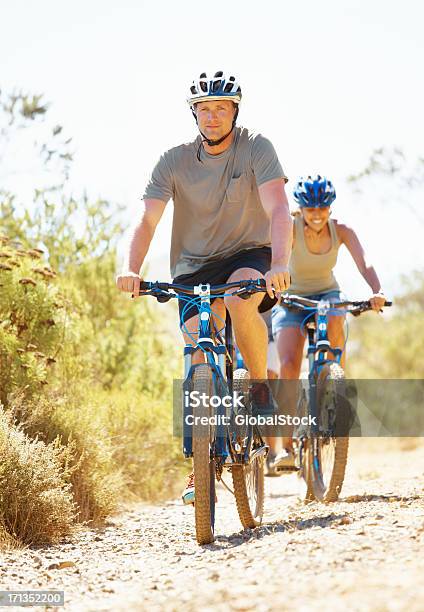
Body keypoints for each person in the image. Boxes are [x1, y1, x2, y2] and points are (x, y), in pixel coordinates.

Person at [116, 71, 293, 503]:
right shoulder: (173, 161)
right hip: (193, 269)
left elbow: (278, 209)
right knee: (198, 349)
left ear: (235, 111)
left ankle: (257, 387)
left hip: (248, 256)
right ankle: (201, 465)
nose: (211, 117)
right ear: (193, 113)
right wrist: (131, 267)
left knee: (239, 296)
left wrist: (280, 264)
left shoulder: (256, 148)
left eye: (220, 108)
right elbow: (147, 220)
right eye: (203, 109)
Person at [270, 174, 387, 471]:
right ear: (301, 209)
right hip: (293, 299)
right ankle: (285, 448)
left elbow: (365, 262)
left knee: (337, 322)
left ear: (330, 208)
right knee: (288, 365)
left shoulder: (342, 231)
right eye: (311, 209)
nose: (317, 214)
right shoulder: (292, 228)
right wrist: (278, 290)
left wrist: (376, 291)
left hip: (327, 294)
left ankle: (336, 388)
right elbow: (278, 257)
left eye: (323, 208)